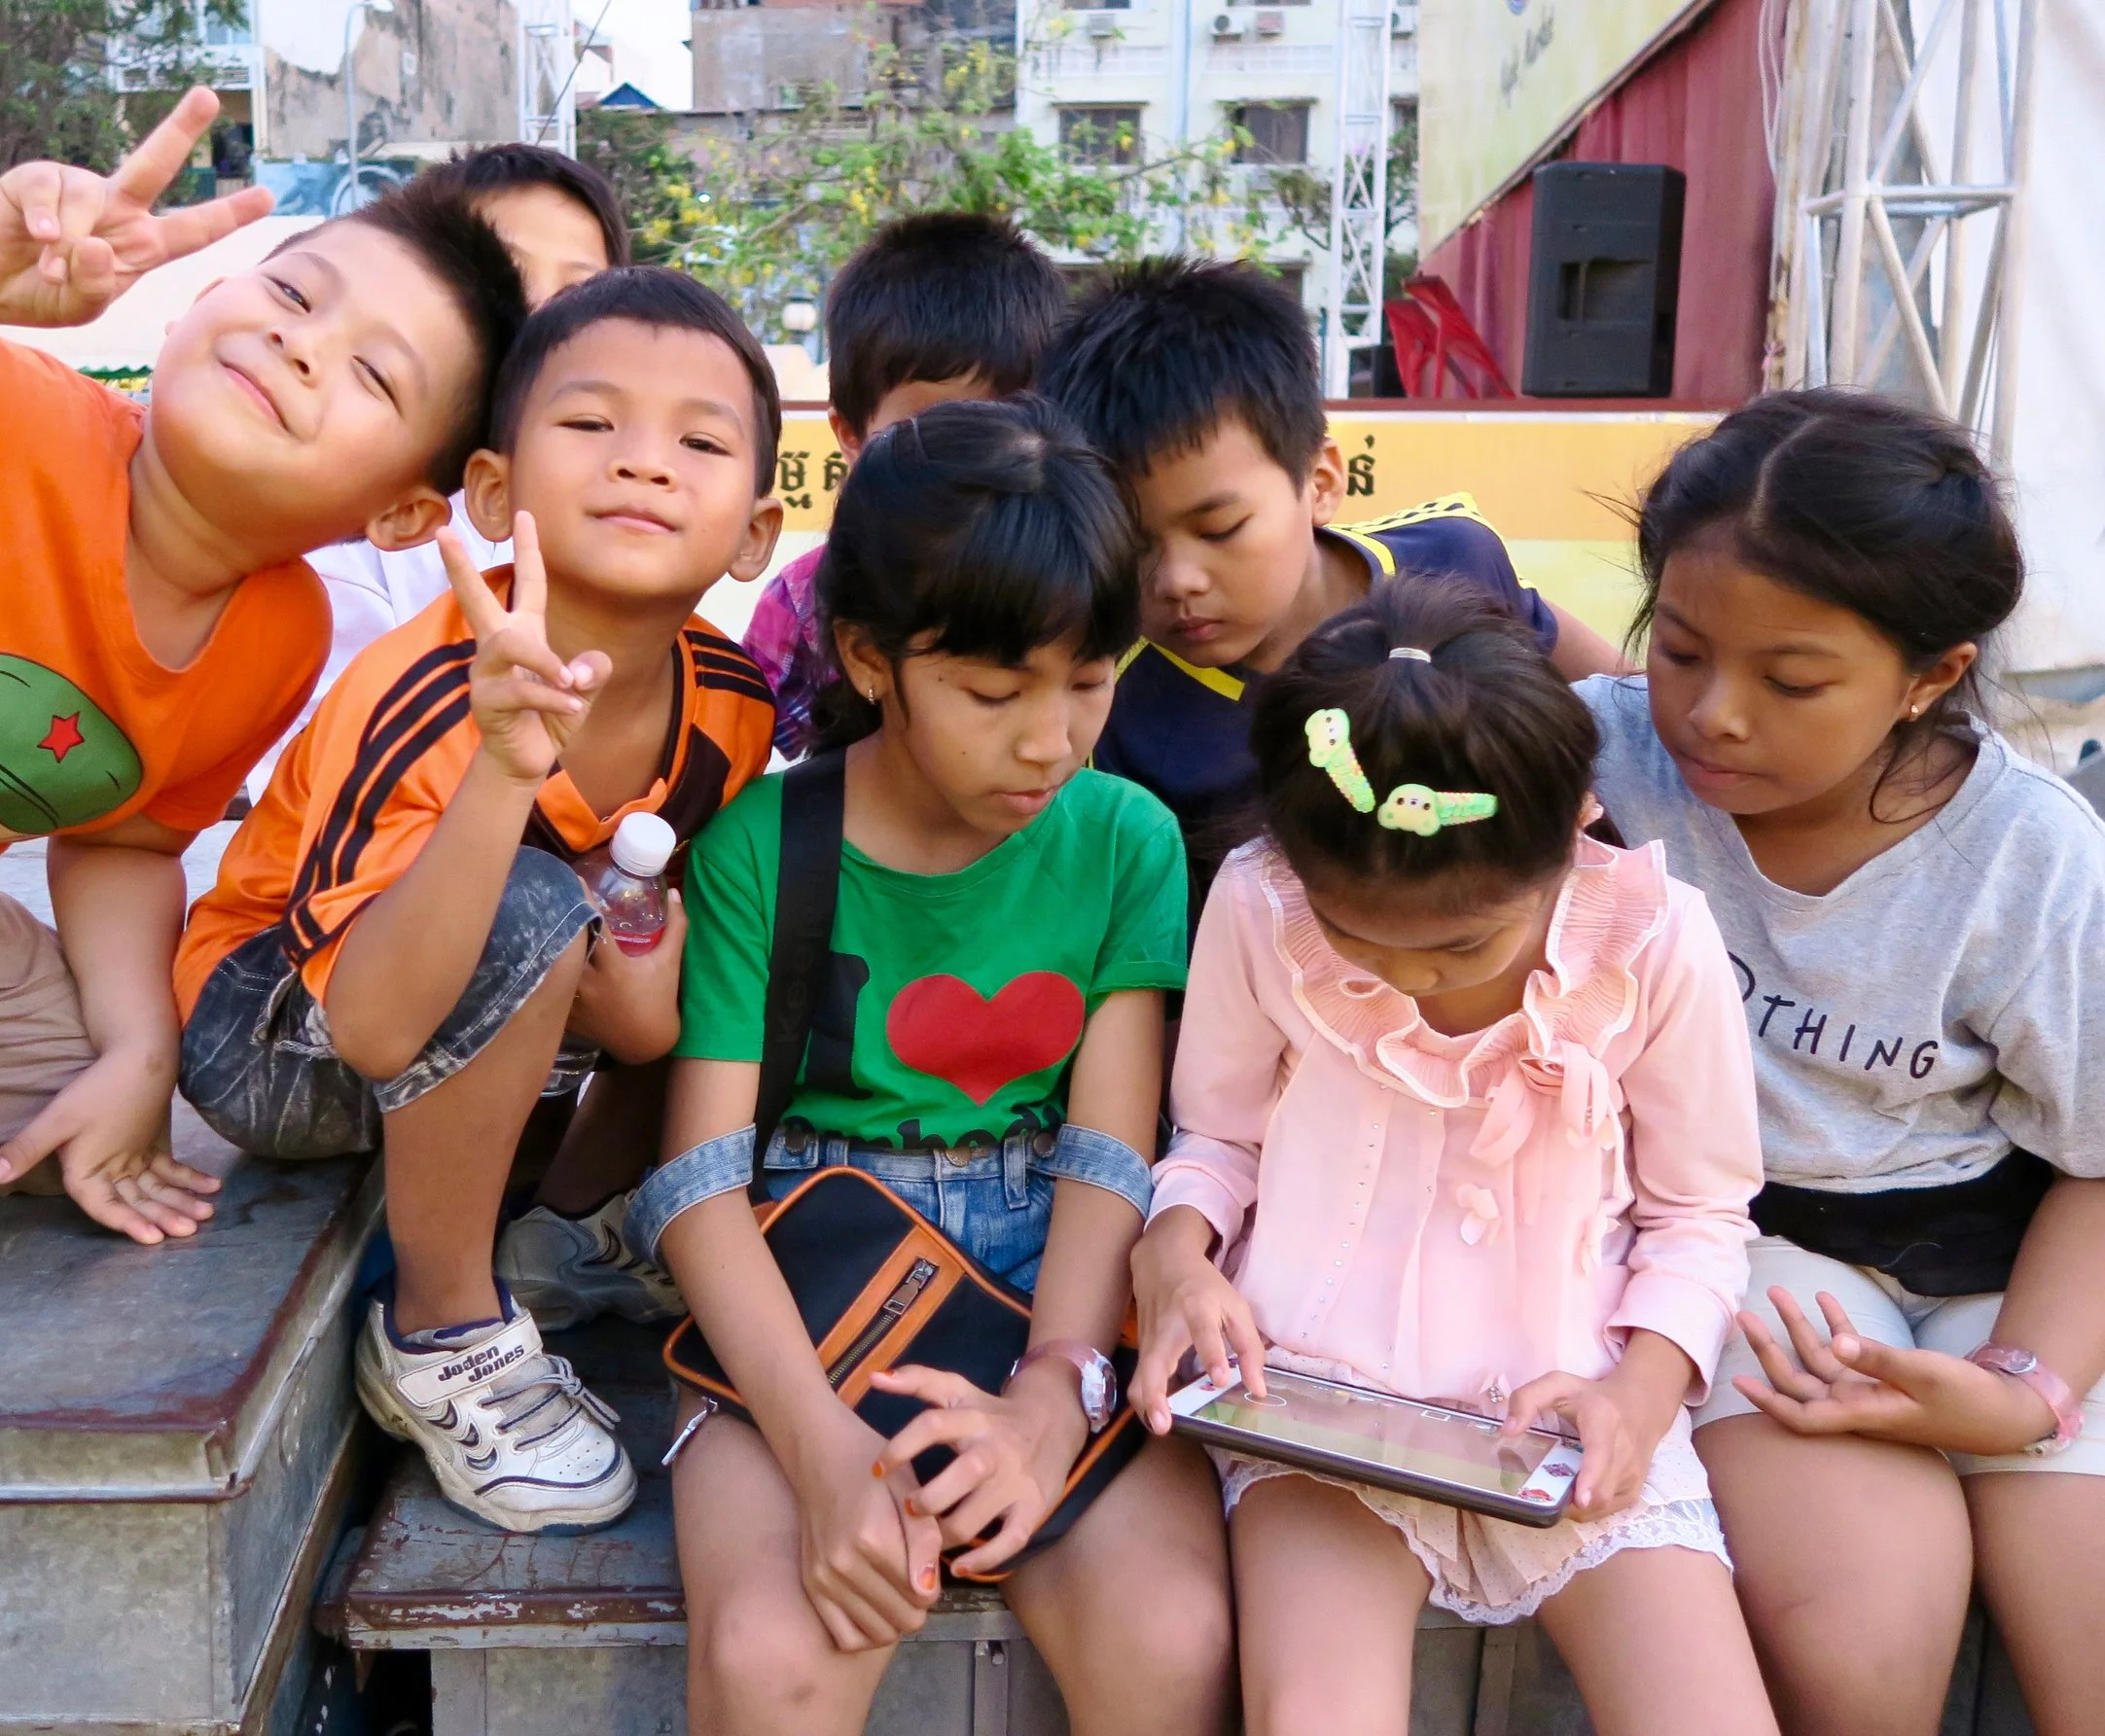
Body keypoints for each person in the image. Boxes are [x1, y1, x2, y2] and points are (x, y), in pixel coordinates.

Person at [0, 91, 528, 1304]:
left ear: (400, 511)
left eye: (373, 376)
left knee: (83, 1091)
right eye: (293, 295)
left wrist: (138, 1049)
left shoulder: (277, 631)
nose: (300, 345)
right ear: (188, 305)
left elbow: (124, 835)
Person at [631, 396, 1234, 1736]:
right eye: (992, 690)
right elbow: (701, 1179)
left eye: (1089, 681)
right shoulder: (766, 846)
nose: (1051, 740)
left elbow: (1108, 1149)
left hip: (1051, 1286)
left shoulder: (1124, 838)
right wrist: (817, 1442)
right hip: (812, 1281)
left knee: (1171, 1638)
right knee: (777, 1662)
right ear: (870, 655)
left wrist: (1054, 1391)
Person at [173, 266, 782, 1532]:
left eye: (700, 440)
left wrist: (647, 970)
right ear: (496, 493)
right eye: (591, 423)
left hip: (519, 1012)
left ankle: (568, 1231)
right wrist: (509, 772)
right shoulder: (426, 692)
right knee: (532, 904)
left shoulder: (731, 701)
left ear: (758, 532)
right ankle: (440, 1326)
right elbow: (378, 1031)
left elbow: (651, 985)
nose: (645, 464)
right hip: (282, 1021)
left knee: (754, 906)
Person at [1131, 579, 1777, 1736]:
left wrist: (1637, 1393)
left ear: (1576, 819)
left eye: (1463, 941)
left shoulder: (1656, 943)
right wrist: (1179, 1262)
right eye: (1356, 936)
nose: (1411, 976)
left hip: (1574, 1412)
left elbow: (1702, 1214)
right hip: (1318, 1411)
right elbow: (1215, 1138)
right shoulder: (1257, 904)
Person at [1581, 389, 2105, 1736]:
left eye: (1793, 680)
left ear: (1933, 674)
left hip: (2018, 1268)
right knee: (1861, 1649)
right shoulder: (1595, 760)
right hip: (1758, 1249)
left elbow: (2099, 1166)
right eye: (1680, 650)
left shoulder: (2031, 856)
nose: (1714, 716)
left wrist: (2023, 1394)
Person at [1037, 258, 1627, 900]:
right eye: (1132, 545)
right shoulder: (1120, 707)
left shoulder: (1452, 558)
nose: (1177, 580)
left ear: (1320, 484)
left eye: (1220, 529)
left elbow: (1621, 703)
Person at [258, 144, 634, 797]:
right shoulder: (356, 521)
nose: (536, 308)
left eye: (578, 292)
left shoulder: (623, 514)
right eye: (504, 270)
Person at [741, 210, 1070, 759]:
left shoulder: (1087, 586)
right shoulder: (803, 606)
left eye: (1008, 421)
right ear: (850, 434)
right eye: (932, 429)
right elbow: (745, 772)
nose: (975, 462)